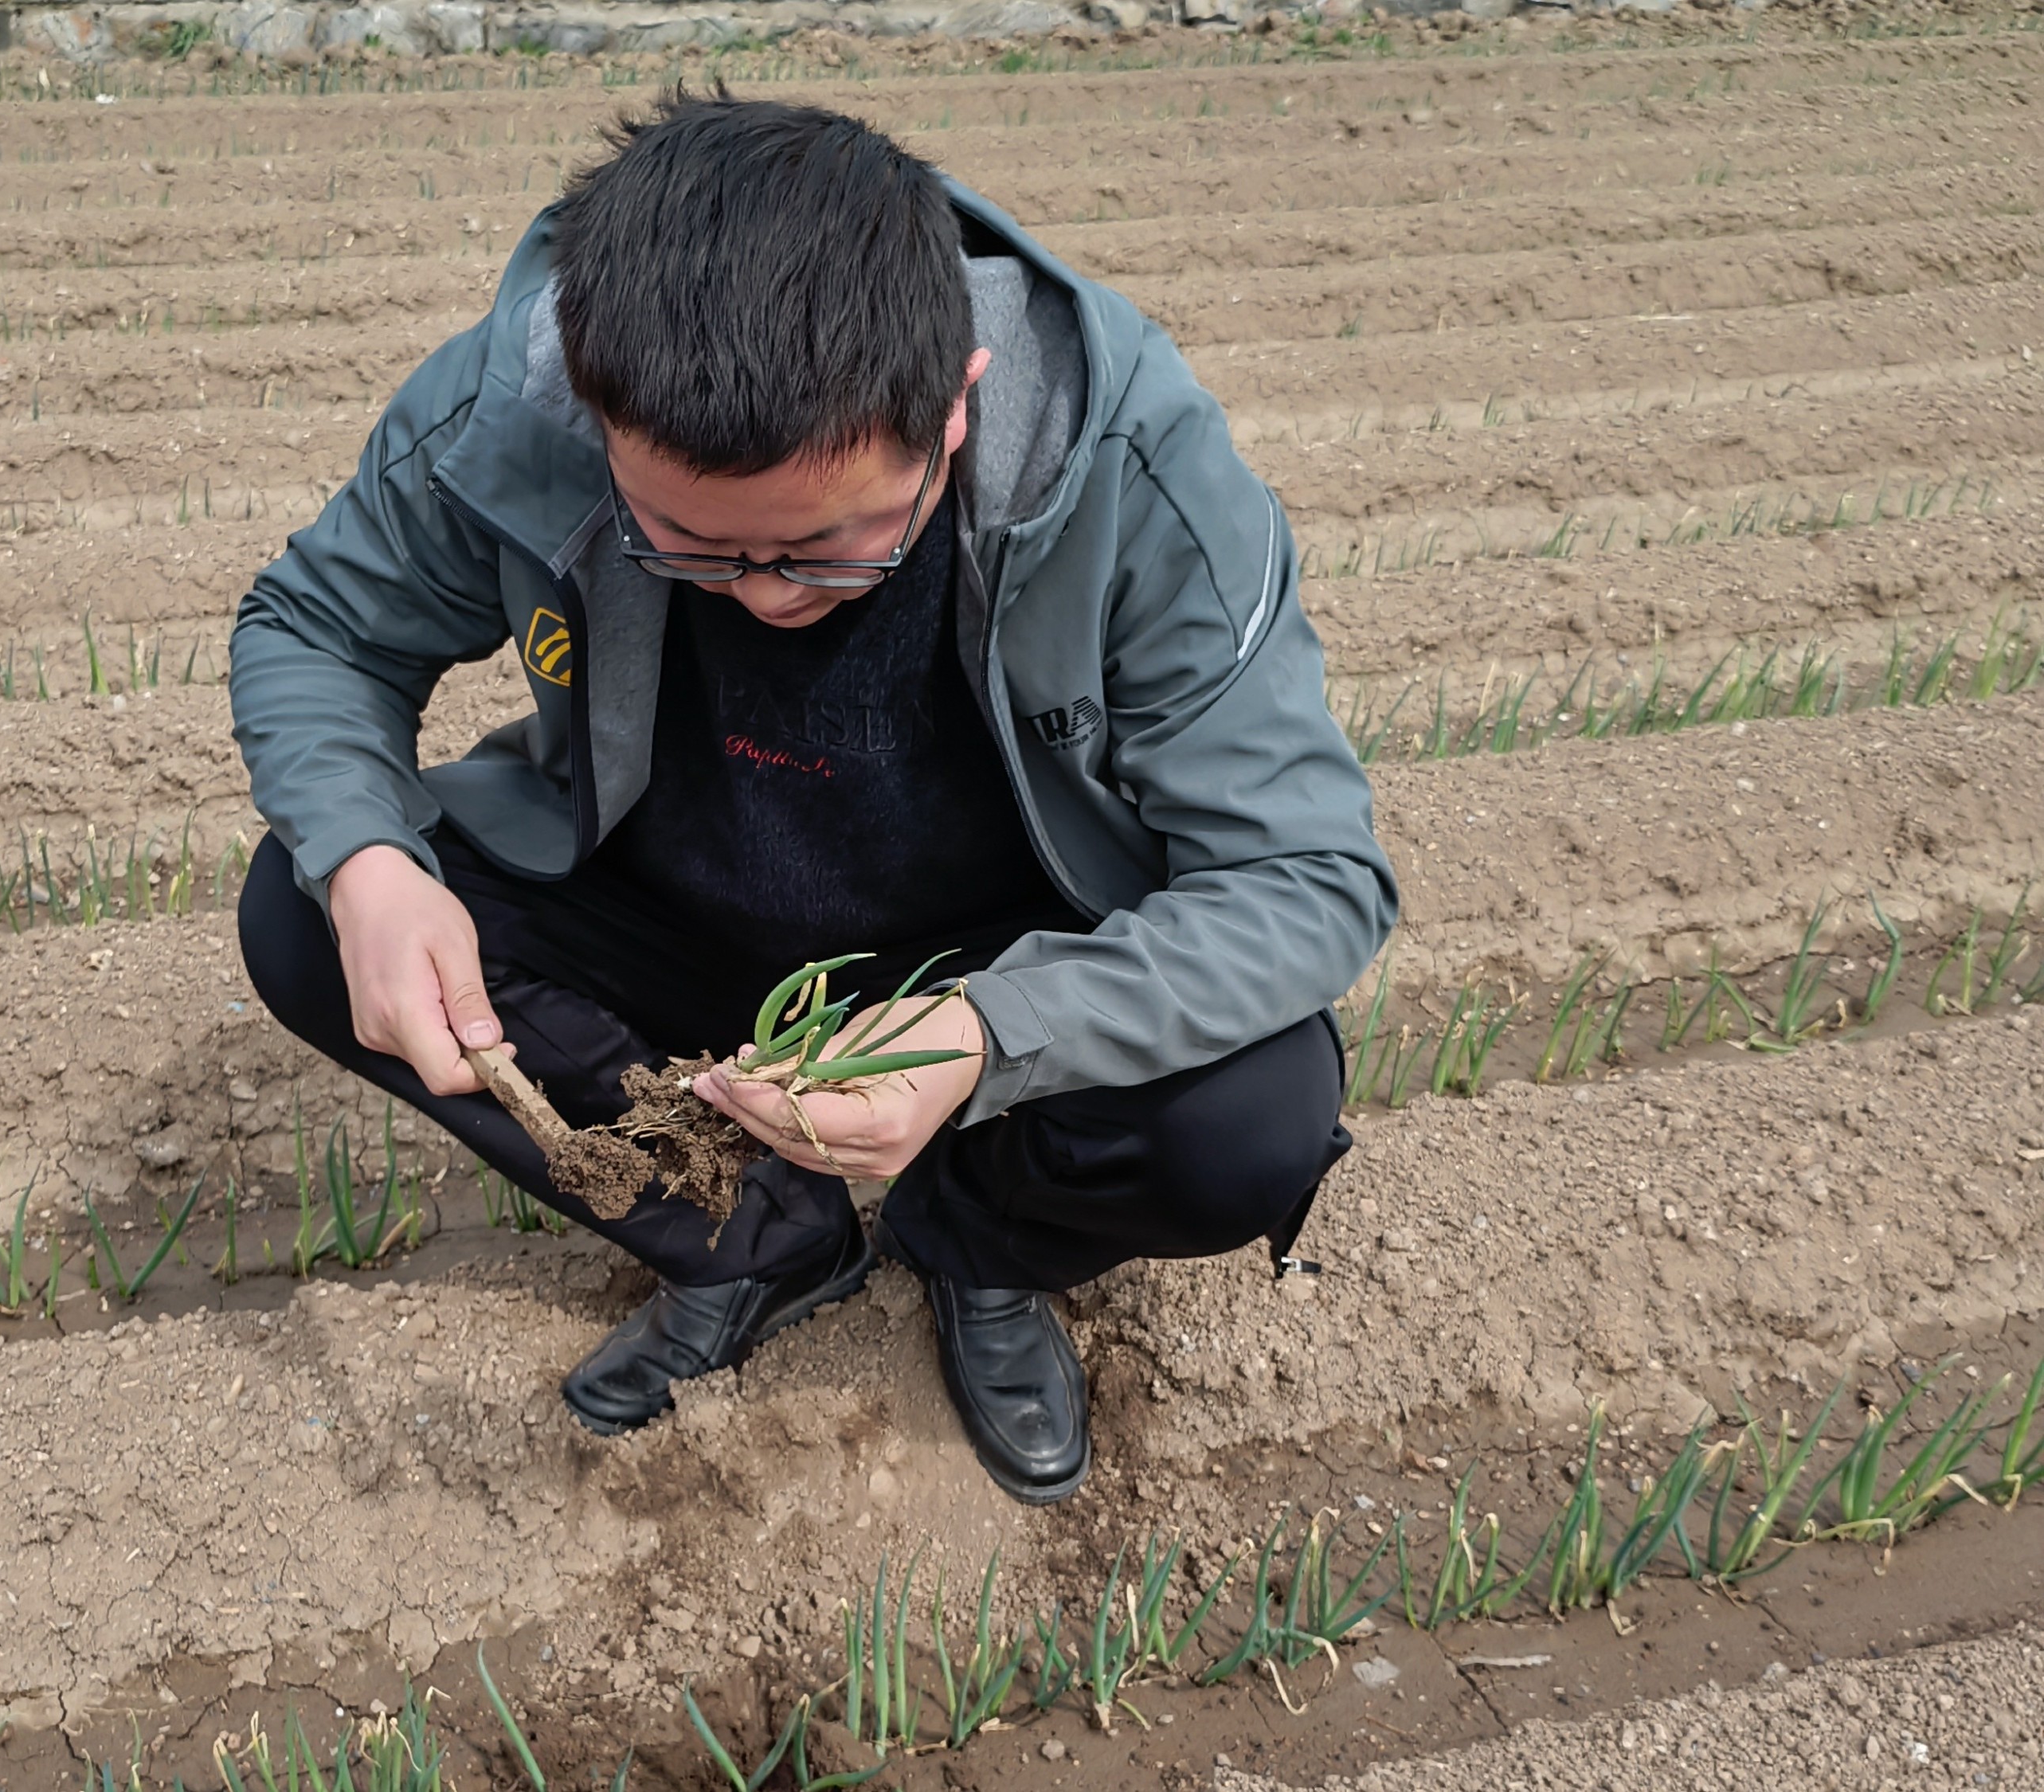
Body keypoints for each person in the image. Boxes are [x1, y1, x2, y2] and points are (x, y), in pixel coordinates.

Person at [231, 92, 1396, 1506]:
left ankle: (976, 1245)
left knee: (1247, 1115)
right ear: (600, 418)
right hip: (672, 902)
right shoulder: (518, 398)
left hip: (991, 948)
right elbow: (320, 630)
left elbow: (1308, 878)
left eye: (831, 548)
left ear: (955, 402)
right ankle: (761, 1240)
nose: (770, 595)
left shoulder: (1129, 468)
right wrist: (367, 864)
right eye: (691, 547)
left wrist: (987, 1034)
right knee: (305, 914)